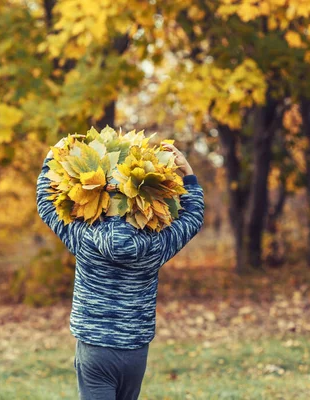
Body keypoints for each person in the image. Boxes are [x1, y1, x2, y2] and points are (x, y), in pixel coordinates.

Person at [36, 139, 205, 400]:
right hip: (135, 350)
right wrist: (189, 174)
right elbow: (192, 218)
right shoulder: (155, 245)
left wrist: (51, 157)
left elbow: (46, 205)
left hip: (94, 349)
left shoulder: (84, 238)